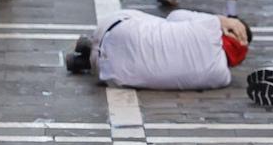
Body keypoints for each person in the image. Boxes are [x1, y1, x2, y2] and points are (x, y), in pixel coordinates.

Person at [65, 9, 251, 91]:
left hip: (113, 30)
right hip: (110, 75)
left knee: (159, 24)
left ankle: (91, 45)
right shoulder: (222, 78)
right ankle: (87, 60)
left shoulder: (210, 25)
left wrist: (221, 20)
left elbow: (174, 16)